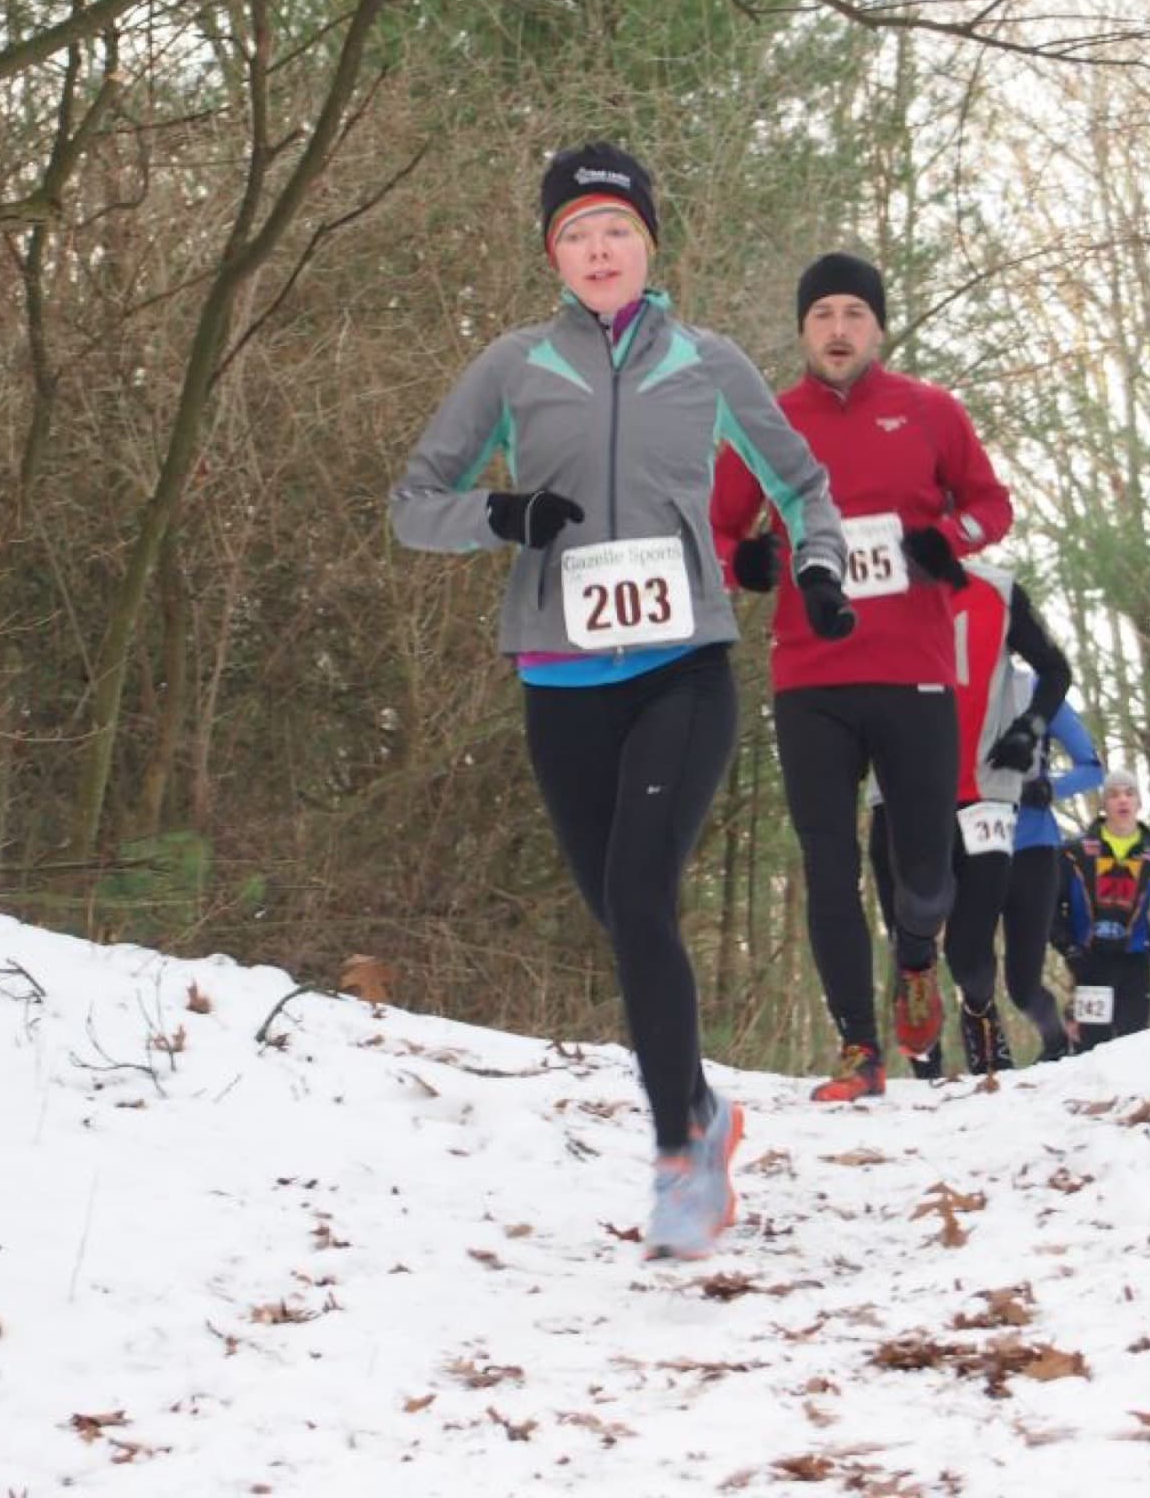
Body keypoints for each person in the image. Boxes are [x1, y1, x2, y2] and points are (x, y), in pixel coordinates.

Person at [389, 143, 852, 1260]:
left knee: (641, 894)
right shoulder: (511, 367)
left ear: (650, 245)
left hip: (682, 665)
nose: (598, 251)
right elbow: (412, 502)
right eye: (575, 235)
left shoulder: (708, 363)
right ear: (554, 254)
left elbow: (799, 484)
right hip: (559, 679)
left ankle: (680, 1155)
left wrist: (822, 565)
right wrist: (500, 518)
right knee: (620, 916)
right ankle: (699, 1104)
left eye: (617, 232)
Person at [711, 251, 1015, 1102]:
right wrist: (757, 564)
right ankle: (857, 1047)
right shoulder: (766, 424)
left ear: (877, 327)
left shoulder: (930, 413)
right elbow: (719, 536)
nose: (838, 330)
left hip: (915, 673)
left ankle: (916, 957)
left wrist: (945, 540)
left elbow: (994, 504)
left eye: (853, 314)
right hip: (810, 678)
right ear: (802, 330)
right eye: (822, 316)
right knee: (827, 859)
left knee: (926, 877)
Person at [866, 560, 1070, 1078]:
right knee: (909, 933)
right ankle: (926, 1068)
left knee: (969, 946)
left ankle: (979, 1013)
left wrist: (1030, 728)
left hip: (987, 790)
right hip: (899, 792)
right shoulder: (876, 581)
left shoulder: (999, 592)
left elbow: (1055, 669)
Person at [1050, 767, 1150, 1052]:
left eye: (1129, 794)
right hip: (1089, 962)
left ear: (1139, 802)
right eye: (1114, 795)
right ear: (1104, 804)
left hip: (1134, 962)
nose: (1122, 801)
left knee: (1133, 1046)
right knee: (1090, 1049)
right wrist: (1066, 946)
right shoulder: (1074, 853)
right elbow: (1049, 907)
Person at [1000, 695, 1104, 1062]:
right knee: (968, 966)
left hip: (1033, 849)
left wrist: (1047, 789)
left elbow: (1093, 768)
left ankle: (1057, 1041)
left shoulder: (1038, 692)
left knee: (1022, 984)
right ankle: (988, 1059)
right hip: (969, 846)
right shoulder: (956, 682)